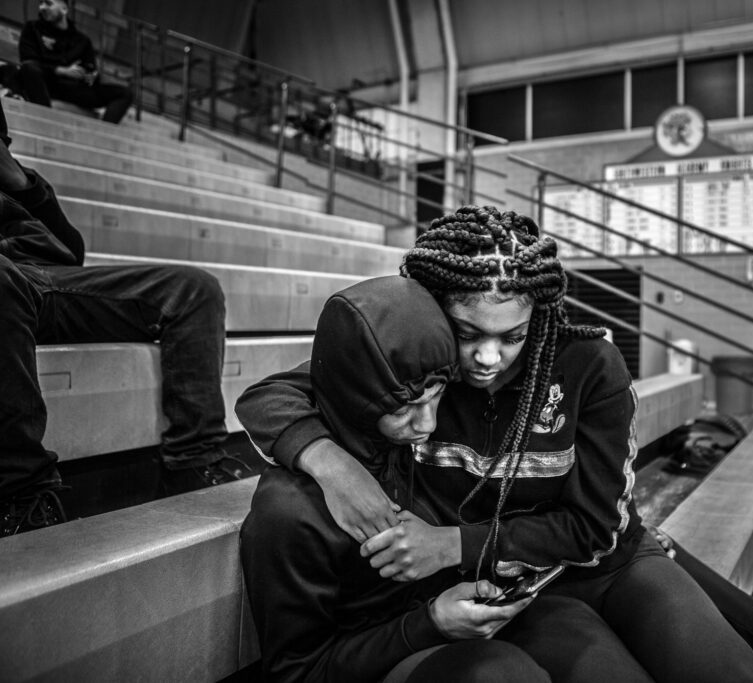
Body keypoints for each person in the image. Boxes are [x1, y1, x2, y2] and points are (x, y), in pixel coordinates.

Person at [239, 205, 753, 682]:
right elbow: (274, 394)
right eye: (468, 334)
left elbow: (597, 529)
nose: (486, 359)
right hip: (507, 582)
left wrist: (447, 545)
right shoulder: (421, 367)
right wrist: (325, 459)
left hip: (595, 558)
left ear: (540, 316)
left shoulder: (588, 364)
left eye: (510, 336)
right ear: (432, 313)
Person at [241, 275, 668, 683]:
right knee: (498, 676)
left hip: (495, 593)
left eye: (439, 395)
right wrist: (329, 462)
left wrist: (453, 554)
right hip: (411, 644)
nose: (427, 424)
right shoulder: (292, 510)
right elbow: (296, 672)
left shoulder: (408, 428)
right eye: (404, 406)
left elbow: (592, 523)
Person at [0, 99, 245, 537]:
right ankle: (22, 495)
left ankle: (193, 461)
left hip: (43, 279)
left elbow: (70, 252)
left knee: (194, 288)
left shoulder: (15, 185)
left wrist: (17, 178)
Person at [15, 0, 133, 124]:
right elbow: (28, 61)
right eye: (41, 4)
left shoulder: (82, 40)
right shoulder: (32, 28)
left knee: (124, 93)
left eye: (48, 3)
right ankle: (45, 118)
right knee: (29, 69)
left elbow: (91, 73)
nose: (42, 8)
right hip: (48, 83)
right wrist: (61, 71)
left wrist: (87, 76)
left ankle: (104, 132)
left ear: (64, 9)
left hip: (75, 88)